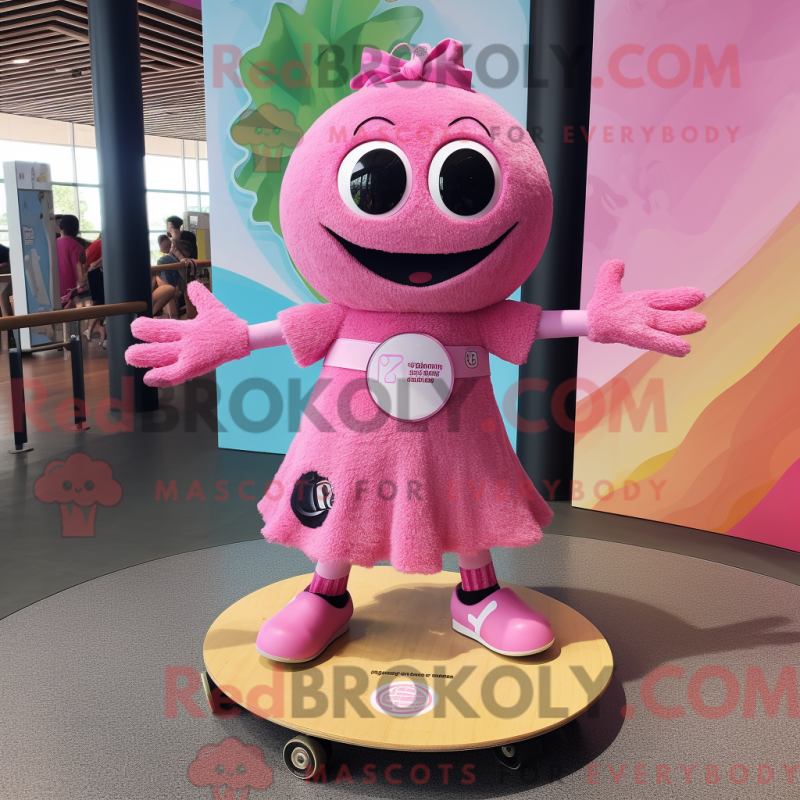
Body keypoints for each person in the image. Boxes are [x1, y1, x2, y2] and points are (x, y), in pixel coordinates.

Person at [127, 39, 707, 664]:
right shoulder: (344, 312)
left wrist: (598, 321)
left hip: (459, 435)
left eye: (466, 183)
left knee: (467, 501)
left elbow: (538, 324)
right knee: (341, 507)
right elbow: (281, 330)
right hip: (345, 438)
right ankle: (325, 595)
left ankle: (478, 596)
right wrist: (229, 338)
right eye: (376, 185)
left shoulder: (477, 315)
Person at [56, 215, 86, 308]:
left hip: (56, 291)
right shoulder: (79, 247)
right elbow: (80, 272)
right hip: (73, 293)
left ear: (61, 228)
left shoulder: (53, 244)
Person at [83, 236, 106, 346]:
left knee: (98, 303)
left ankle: (91, 329)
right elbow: (102, 259)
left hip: (94, 273)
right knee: (100, 303)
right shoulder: (104, 243)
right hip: (96, 273)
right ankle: (91, 329)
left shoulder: (98, 243)